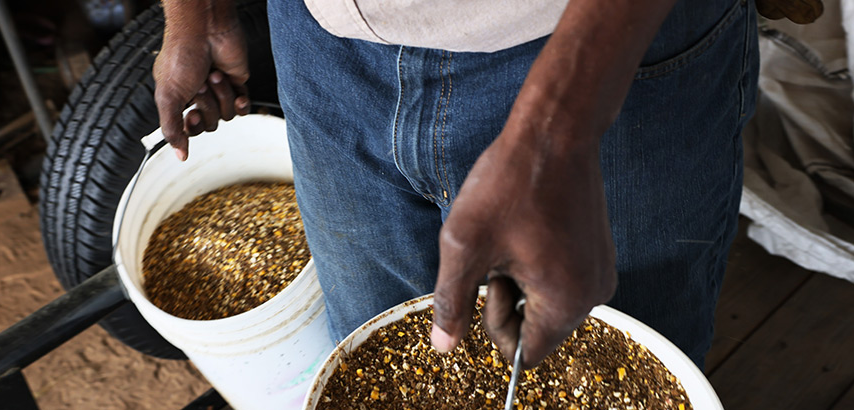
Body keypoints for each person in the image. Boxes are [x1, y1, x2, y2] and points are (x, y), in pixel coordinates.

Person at [152, 0, 763, 370]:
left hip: (601, 44)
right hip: (325, 43)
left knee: (622, 374)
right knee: (385, 376)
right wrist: (196, 13)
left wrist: (556, 135)